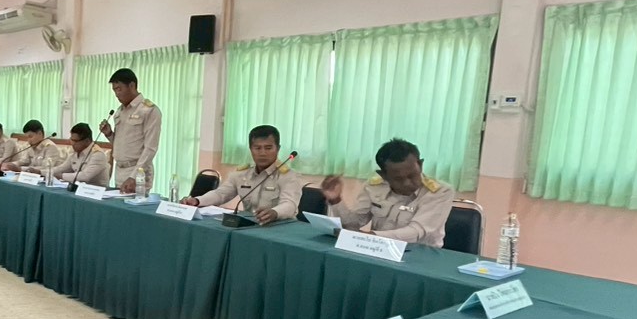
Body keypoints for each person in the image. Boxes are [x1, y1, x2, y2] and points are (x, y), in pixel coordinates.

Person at [321, 138, 455, 248]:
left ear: (420, 164)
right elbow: (354, 223)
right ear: (383, 175)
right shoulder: (374, 186)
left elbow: (416, 232)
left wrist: (371, 236)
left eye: (412, 175)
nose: (407, 183)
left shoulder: (441, 191)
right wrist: (336, 200)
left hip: (420, 255)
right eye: (398, 179)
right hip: (380, 249)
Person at [183, 125, 304, 223]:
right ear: (251, 149)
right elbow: (221, 194)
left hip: (280, 227)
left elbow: (290, 204)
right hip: (249, 226)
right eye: (257, 148)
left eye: (268, 148)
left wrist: (275, 212)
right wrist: (197, 201)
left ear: (278, 148)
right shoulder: (241, 174)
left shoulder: (289, 176)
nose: (263, 153)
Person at [98, 67, 161, 194]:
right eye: (114, 90)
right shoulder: (119, 111)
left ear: (132, 86)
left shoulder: (149, 110)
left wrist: (134, 176)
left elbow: (150, 148)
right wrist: (109, 134)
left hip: (138, 170)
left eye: (119, 89)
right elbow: (122, 144)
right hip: (120, 170)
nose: (116, 94)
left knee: (134, 205)